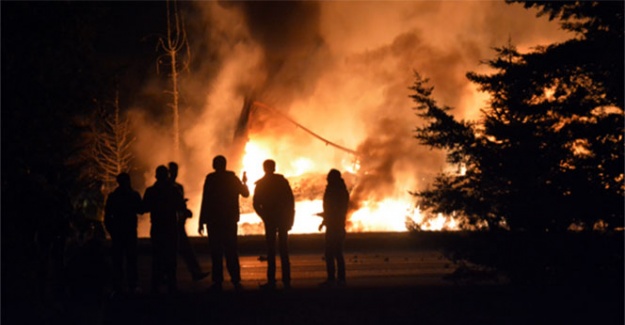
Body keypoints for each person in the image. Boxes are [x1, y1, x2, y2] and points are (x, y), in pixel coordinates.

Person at [198, 155, 249, 292]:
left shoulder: (211, 179)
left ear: (215, 165)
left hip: (214, 221)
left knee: (216, 252)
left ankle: (218, 281)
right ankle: (235, 279)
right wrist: (244, 182)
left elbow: (206, 200)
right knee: (231, 250)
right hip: (229, 220)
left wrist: (201, 221)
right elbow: (245, 194)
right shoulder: (232, 179)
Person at [142, 165, 186, 294]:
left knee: (157, 257)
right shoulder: (173, 190)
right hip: (170, 228)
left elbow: (144, 208)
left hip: (157, 228)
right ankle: (172, 286)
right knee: (171, 258)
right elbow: (181, 207)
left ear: (156, 176)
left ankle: (155, 286)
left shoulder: (151, 191)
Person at [253, 159, 295, 290]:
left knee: (271, 250)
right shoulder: (282, 182)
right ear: (274, 168)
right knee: (284, 250)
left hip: (270, 219)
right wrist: (290, 219)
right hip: (282, 219)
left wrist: (264, 216)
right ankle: (286, 280)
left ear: (264, 168)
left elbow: (256, 203)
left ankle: (271, 281)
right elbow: (290, 202)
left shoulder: (261, 184)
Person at [168, 162, 209, 282]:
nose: (174, 173)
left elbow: (179, 204)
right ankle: (167, 279)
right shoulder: (166, 187)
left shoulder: (178, 187)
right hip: (168, 224)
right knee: (172, 252)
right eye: (172, 171)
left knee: (186, 250)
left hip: (179, 223)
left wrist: (185, 211)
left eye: (176, 171)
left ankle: (195, 272)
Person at [104, 172, 143, 295]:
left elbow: (107, 216)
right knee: (131, 259)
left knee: (118, 260)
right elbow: (141, 210)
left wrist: (111, 230)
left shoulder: (113, 196)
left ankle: (118, 285)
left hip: (118, 232)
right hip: (129, 231)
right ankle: (132, 285)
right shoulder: (132, 195)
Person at [318, 169, 349, 287]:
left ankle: (336, 279)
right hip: (334, 224)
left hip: (335, 225)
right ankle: (338, 279)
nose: (327, 179)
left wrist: (326, 219)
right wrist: (324, 220)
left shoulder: (336, 191)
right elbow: (330, 209)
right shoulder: (338, 190)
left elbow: (334, 209)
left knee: (334, 252)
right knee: (333, 253)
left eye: (329, 177)